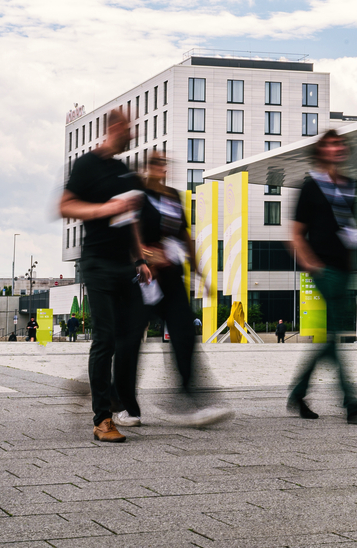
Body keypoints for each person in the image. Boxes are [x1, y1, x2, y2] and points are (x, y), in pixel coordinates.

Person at [59, 107, 150, 444]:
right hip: (96, 263)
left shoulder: (123, 171)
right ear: (115, 128)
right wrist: (103, 209)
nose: (134, 133)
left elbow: (131, 220)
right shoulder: (86, 165)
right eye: (130, 128)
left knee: (130, 337)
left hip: (125, 265)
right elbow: (65, 206)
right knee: (106, 338)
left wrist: (140, 258)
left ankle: (112, 397)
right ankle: (102, 419)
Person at [286, 131, 357, 425]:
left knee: (331, 338)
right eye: (329, 144)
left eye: (339, 143)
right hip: (322, 268)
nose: (336, 148)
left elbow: (348, 229)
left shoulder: (350, 186)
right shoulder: (311, 187)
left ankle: (298, 392)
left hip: (343, 269)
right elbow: (295, 234)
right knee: (335, 338)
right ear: (320, 151)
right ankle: (352, 405)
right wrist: (311, 264)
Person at [134, 152, 232, 427]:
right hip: (144, 279)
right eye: (155, 163)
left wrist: (200, 271)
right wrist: (148, 256)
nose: (161, 168)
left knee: (185, 335)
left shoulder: (173, 197)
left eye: (164, 163)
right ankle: (119, 400)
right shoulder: (138, 196)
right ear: (147, 168)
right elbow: (130, 235)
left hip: (173, 278)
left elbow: (184, 235)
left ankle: (191, 398)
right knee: (129, 341)